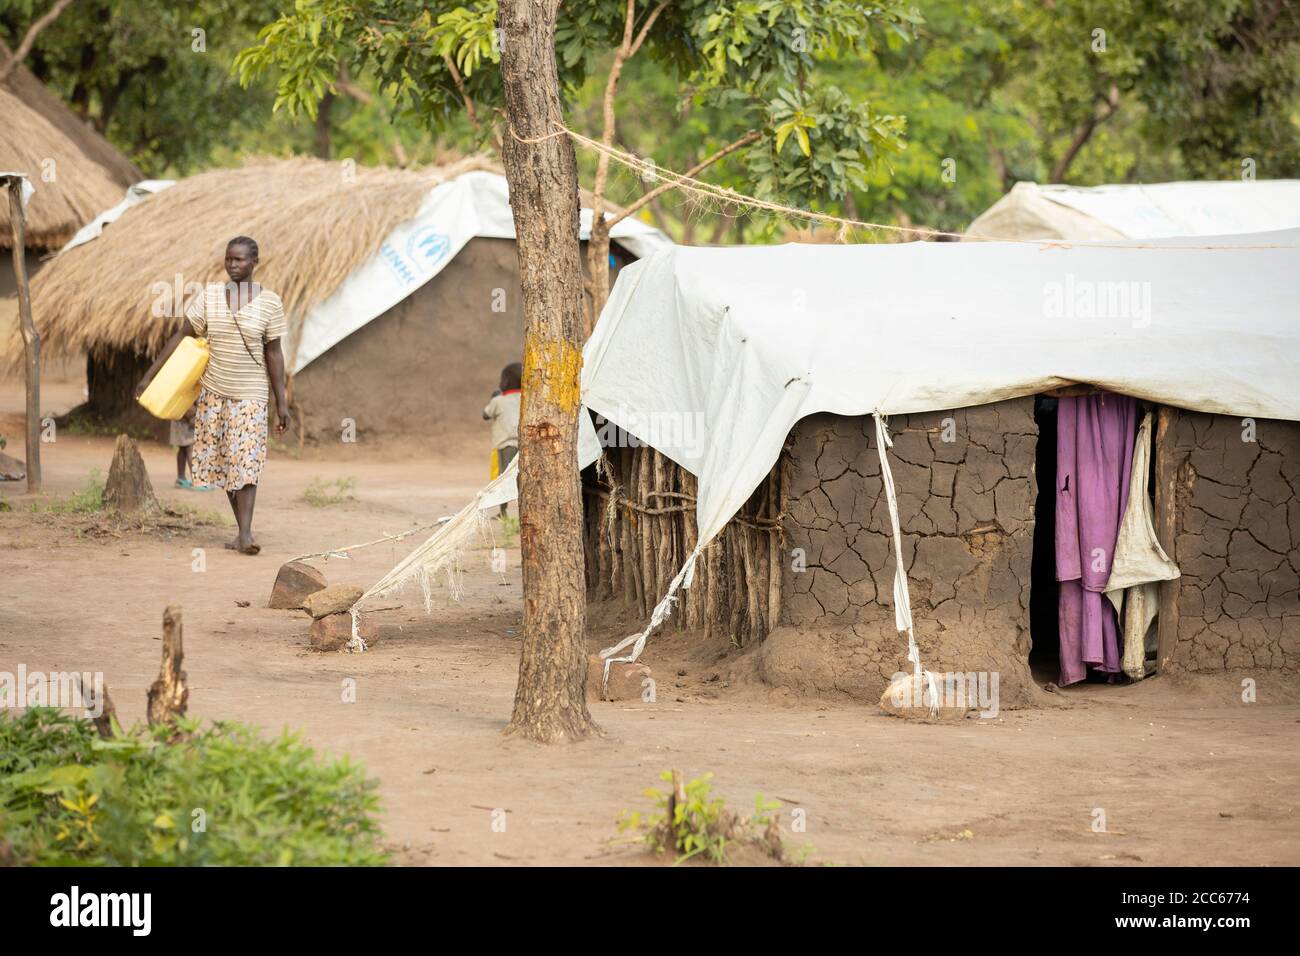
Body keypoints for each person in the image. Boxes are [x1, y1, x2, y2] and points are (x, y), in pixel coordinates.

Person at [136, 236, 289, 554]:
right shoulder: (209, 298)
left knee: (246, 462)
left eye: (240, 260)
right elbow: (181, 336)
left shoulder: (270, 302)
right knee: (224, 464)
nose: (233, 265)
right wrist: (150, 376)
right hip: (214, 393)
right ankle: (241, 531)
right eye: (229, 259)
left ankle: (245, 534)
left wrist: (282, 402)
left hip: (251, 394)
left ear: (255, 262)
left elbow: (274, 354)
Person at [483, 362, 522, 517]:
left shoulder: (498, 401)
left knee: (501, 479)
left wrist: (494, 397)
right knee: (520, 478)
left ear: (504, 382)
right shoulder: (527, 397)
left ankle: (503, 511)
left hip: (504, 446)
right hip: (523, 446)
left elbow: (485, 415)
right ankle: (523, 511)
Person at [171, 402, 213, 490]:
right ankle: (197, 481)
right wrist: (194, 415)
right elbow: (187, 399)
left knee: (182, 448)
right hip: (187, 419)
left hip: (178, 417)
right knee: (191, 448)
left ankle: (181, 479)